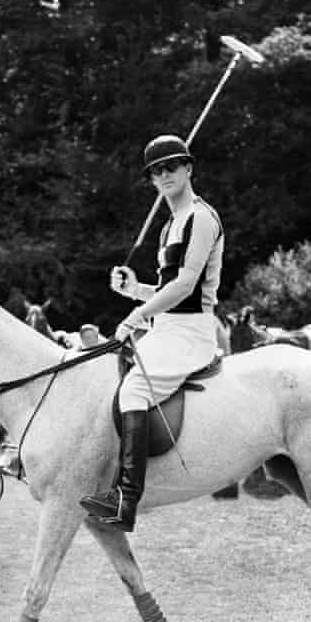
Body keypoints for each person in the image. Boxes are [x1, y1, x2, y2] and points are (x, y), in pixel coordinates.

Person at [80, 134, 224, 531]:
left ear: (189, 168)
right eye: (155, 171)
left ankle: (126, 500)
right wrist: (133, 290)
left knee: (134, 389)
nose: (163, 175)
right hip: (166, 328)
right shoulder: (167, 228)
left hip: (192, 333)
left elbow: (185, 286)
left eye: (171, 167)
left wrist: (134, 315)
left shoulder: (201, 218)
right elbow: (166, 290)